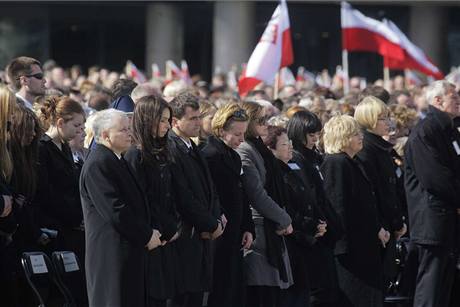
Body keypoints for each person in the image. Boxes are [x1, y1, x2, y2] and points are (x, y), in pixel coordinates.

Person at [80, 109, 162, 307]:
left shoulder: (116, 159)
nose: (130, 134)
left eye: (129, 129)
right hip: (112, 255)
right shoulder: (99, 163)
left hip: (128, 251)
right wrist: (146, 235)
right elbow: (115, 210)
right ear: (106, 135)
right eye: (123, 130)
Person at [321, 115, 388, 307]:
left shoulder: (353, 161)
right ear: (342, 137)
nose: (361, 136)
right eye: (355, 133)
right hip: (351, 250)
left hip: (364, 245)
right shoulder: (336, 163)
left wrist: (377, 228)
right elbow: (337, 206)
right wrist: (343, 247)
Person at [404, 80, 460, 307]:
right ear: (438, 100)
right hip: (432, 221)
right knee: (431, 284)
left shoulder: (448, 130)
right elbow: (436, 178)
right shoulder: (426, 131)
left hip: (447, 220)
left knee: (445, 285)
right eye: (453, 98)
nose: (458, 102)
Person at [168, 92, 224, 307]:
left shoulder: (192, 145)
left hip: (203, 232)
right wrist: (209, 223)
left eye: (199, 117)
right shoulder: (171, 148)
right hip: (186, 234)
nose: (198, 122)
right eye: (192, 118)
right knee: (183, 296)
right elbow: (183, 195)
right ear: (175, 121)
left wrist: (218, 215)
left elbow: (210, 186)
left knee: (197, 295)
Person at [124, 95, 181, 307]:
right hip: (150, 239)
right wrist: (165, 229)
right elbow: (142, 200)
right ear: (148, 119)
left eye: (168, 120)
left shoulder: (161, 152)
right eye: (163, 120)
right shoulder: (135, 155)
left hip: (165, 238)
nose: (167, 125)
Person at [237, 101, 294, 307]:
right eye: (260, 120)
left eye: (266, 119)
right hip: (260, 231)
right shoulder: (245, 150)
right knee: (262, 296)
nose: (265, 124)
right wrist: (284, 218)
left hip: (272, 229)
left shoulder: (258, 148)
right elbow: (257, 194)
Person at [264, 125, 326, 307]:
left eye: (290, 143)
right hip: (291, 241)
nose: (290, 147)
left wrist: (318, 223)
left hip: (305, 240)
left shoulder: (291, 168)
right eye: (284, 145)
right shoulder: (274, 175)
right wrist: (310, 226)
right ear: (271, 149)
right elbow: (286, 208)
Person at [201, 103, 255, 307]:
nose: (242, 139)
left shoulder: (233, 156)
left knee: (233, 288)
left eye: (243, 133)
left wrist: (247, 227)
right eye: (237, 134)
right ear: (221, 130)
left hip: (235, 230)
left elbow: (242, 194)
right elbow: (210, 194)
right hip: (219, 232)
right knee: (220, 288)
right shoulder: (210, 155)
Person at [286, 110, 340, 307]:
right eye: (311, 135)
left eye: (317, 134)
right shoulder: (296, 158)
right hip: (310, 234)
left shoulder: (315, 157)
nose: (315, 140)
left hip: (323, 230)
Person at [354, 96, 407, 291]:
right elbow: (378, 191)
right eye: (383, 118)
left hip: (387, 224)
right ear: (371, 120)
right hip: (378, 228)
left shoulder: (379, 148)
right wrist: (395, 222)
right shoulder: (367, 150)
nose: (388, 122)